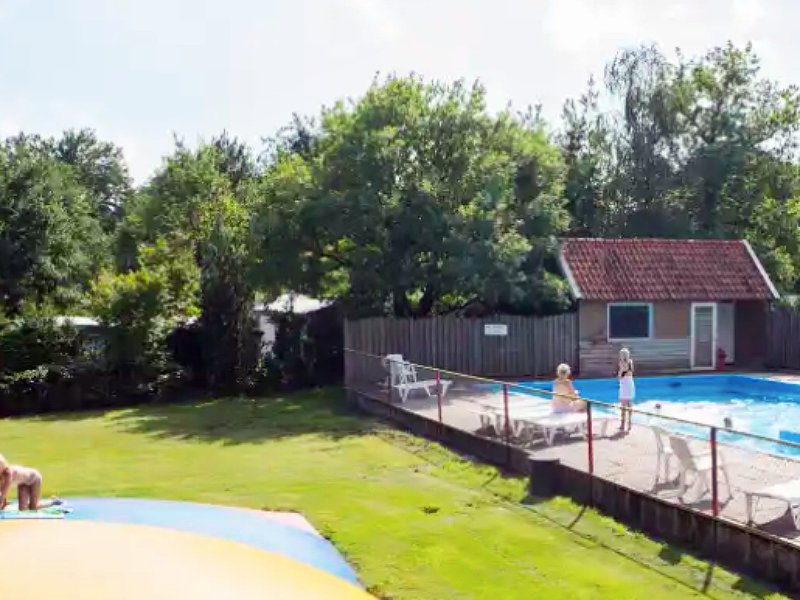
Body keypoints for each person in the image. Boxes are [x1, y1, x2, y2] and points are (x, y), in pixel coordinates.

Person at [618, 348, 635, 432]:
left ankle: (625, 424)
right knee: (626, 404)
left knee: (626, 404)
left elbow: (623, 374)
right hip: (627, 383)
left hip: (626, 383)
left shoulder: (625, 362)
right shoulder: (626, 362)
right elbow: (627, 373)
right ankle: (626, 424)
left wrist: (621, 374)